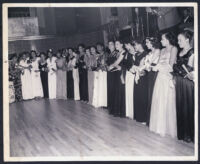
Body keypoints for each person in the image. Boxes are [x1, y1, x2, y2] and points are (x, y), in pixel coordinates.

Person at [150, 32, 178, 138]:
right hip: (160, 77)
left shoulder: (173, 49)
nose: (161, 41)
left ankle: (168, 128)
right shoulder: (162, 50)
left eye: (162, 39)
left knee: (167, 100)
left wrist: (159, 68)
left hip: (167, 77)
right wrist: (155, 66)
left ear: (168, 39)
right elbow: (159, 63)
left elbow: (170, 65)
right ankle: (159, 126)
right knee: (159, 99)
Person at [173, 30, 194, 142]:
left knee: (188, 107)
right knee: (180, 105)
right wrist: (176, 71)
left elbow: (190, 69)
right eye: (177, 40)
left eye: (180, 40)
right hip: (179, 81)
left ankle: (189, 135)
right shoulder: (180, 52)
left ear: (187, 40)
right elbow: (176, 67)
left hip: (187, 83)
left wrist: (177, 69)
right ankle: (182, 133)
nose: (178, 42)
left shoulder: (192, 52)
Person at [130, 40, 148, 123]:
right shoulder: (136, 54)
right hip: (136, 76)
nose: (134, 47)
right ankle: (138, 116)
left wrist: (140, 70)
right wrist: (133, 69)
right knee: (137, 95)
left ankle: (144, 118)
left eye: (135, 45)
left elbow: (145, 67)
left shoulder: (146, 54)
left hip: (143, 77)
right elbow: (134, 65)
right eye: (134, 45)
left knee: (143, 96)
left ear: (140, 44)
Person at [144, 37, 161, 126]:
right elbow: (147, 64)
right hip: (150, 74)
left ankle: (156, 120)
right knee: (150, 94)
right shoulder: (149, 52)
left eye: (147, 42)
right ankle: (150, 120)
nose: (146, 44)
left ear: (152, 43)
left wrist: (147, 65)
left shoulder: (157, 51)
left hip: (155, 74)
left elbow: (150, 63)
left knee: (154, 94)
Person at [108, 40, 126, 117]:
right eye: (115, 44)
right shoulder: (118, 53)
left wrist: (110, 66)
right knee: (117, 91)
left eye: (117, 44)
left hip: (121, 73)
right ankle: (117, 110)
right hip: (117, 72)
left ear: (122, 44)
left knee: (120, 91)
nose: (116, 45)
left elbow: (117, 63)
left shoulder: (123, 52)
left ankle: (121, 111)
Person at [124, 41, 136, 119]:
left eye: (126, 45)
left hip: (134, 73)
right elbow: (125, 64)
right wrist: (129, 69)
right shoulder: (127, 53)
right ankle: (129, 112)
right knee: (128, 91)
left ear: (129, 44)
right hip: (128, 73)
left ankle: (134, 112)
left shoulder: (136, 52)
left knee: (133, 92)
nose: (126, 47)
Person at [106, 41, 118, 114]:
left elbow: (116, 63)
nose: (110, 45)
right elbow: (107, 63)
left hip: (114, 73)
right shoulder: (109, 54)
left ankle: (115, 107)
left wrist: (111, 67)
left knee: (114, 88)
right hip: (109, 72)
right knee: (110, 88)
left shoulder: (116, 53)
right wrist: (107, 66)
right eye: (109, 44)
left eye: (112, 44)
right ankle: (111, 107)